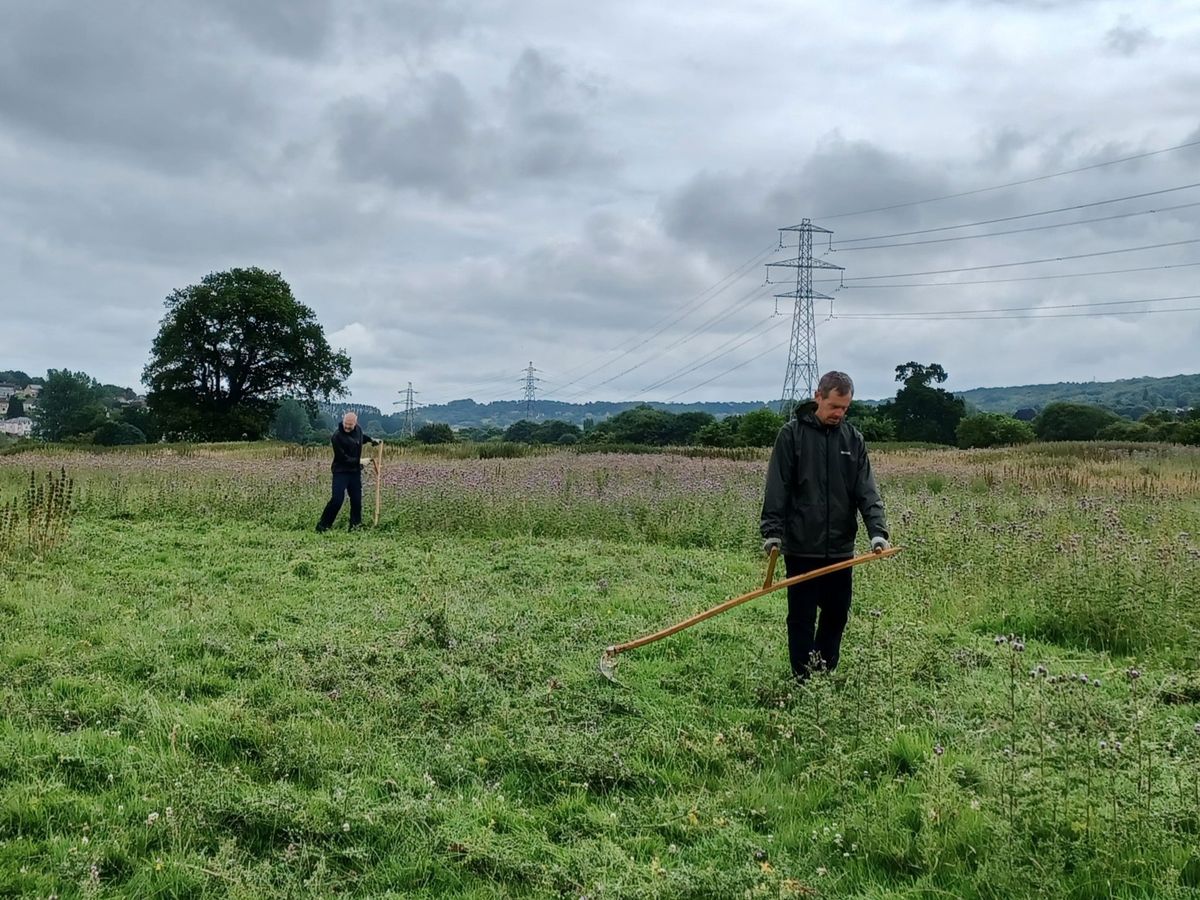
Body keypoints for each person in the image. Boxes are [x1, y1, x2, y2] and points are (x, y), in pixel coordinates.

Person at [760, 371, 890, 679]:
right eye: (834, 406)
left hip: (840, 548)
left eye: (845, 408)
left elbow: (867, 490)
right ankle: (803, 677)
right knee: (802, 617)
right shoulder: (791, 436)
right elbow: (777, 487)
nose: (839, 414)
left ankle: (823, 671)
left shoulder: (853, 440)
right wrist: (772, 532)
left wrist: (877, 532)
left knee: (836, 614)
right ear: (818, 396)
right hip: (802, 545)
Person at [316, 411, 382, 532]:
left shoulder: (358, 430)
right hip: (340, 472)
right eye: (346, 424)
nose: (347, 427)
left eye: (350, 425)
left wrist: (372, 440)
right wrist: (360, 461)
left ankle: (355, 527)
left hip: (354, 472)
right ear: (343, 421)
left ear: (355, 424)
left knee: (357, 500)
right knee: (337, 500)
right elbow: (342, 458)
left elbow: (360, 438)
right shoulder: (336, 437)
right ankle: (323, 526)